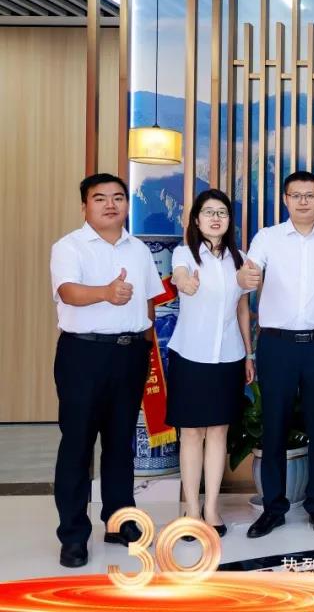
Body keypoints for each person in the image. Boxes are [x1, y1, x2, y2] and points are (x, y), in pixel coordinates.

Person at [50, 173, 165, 568]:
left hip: (130, 354)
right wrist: (105, 293)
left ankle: (119, 521)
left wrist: (145, 343)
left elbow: (149, 302)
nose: (111, 205)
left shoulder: (139, 249)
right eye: (100, 198)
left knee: (120, 443)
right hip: (83, 354)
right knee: (77, 443)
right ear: (85, 206)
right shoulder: (69, 246)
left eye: (118, 197)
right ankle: (73, 535)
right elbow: (68, 292)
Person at [238, 171, 314, 539]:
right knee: (274, 427)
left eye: (310, 195)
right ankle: (273, 508)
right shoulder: (267, 238)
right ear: (285, 199)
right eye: (296, 195)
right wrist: (244, 279)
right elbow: (248, 278)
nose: (303, 201)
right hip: (277, 345)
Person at [167, 189, 255, 537]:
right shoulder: (185, 253)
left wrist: (248, 353)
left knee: (219, 431)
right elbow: (179, 276)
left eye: (222, 212)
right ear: (196, 219)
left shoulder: (239, 258)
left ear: (229, 220)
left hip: (229, 356)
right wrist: (184, 282)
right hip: (191, 355)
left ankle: (212, 508)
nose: (216, 218)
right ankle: (191, 509)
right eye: (208, 212)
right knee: (191, 432)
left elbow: (243, 309)